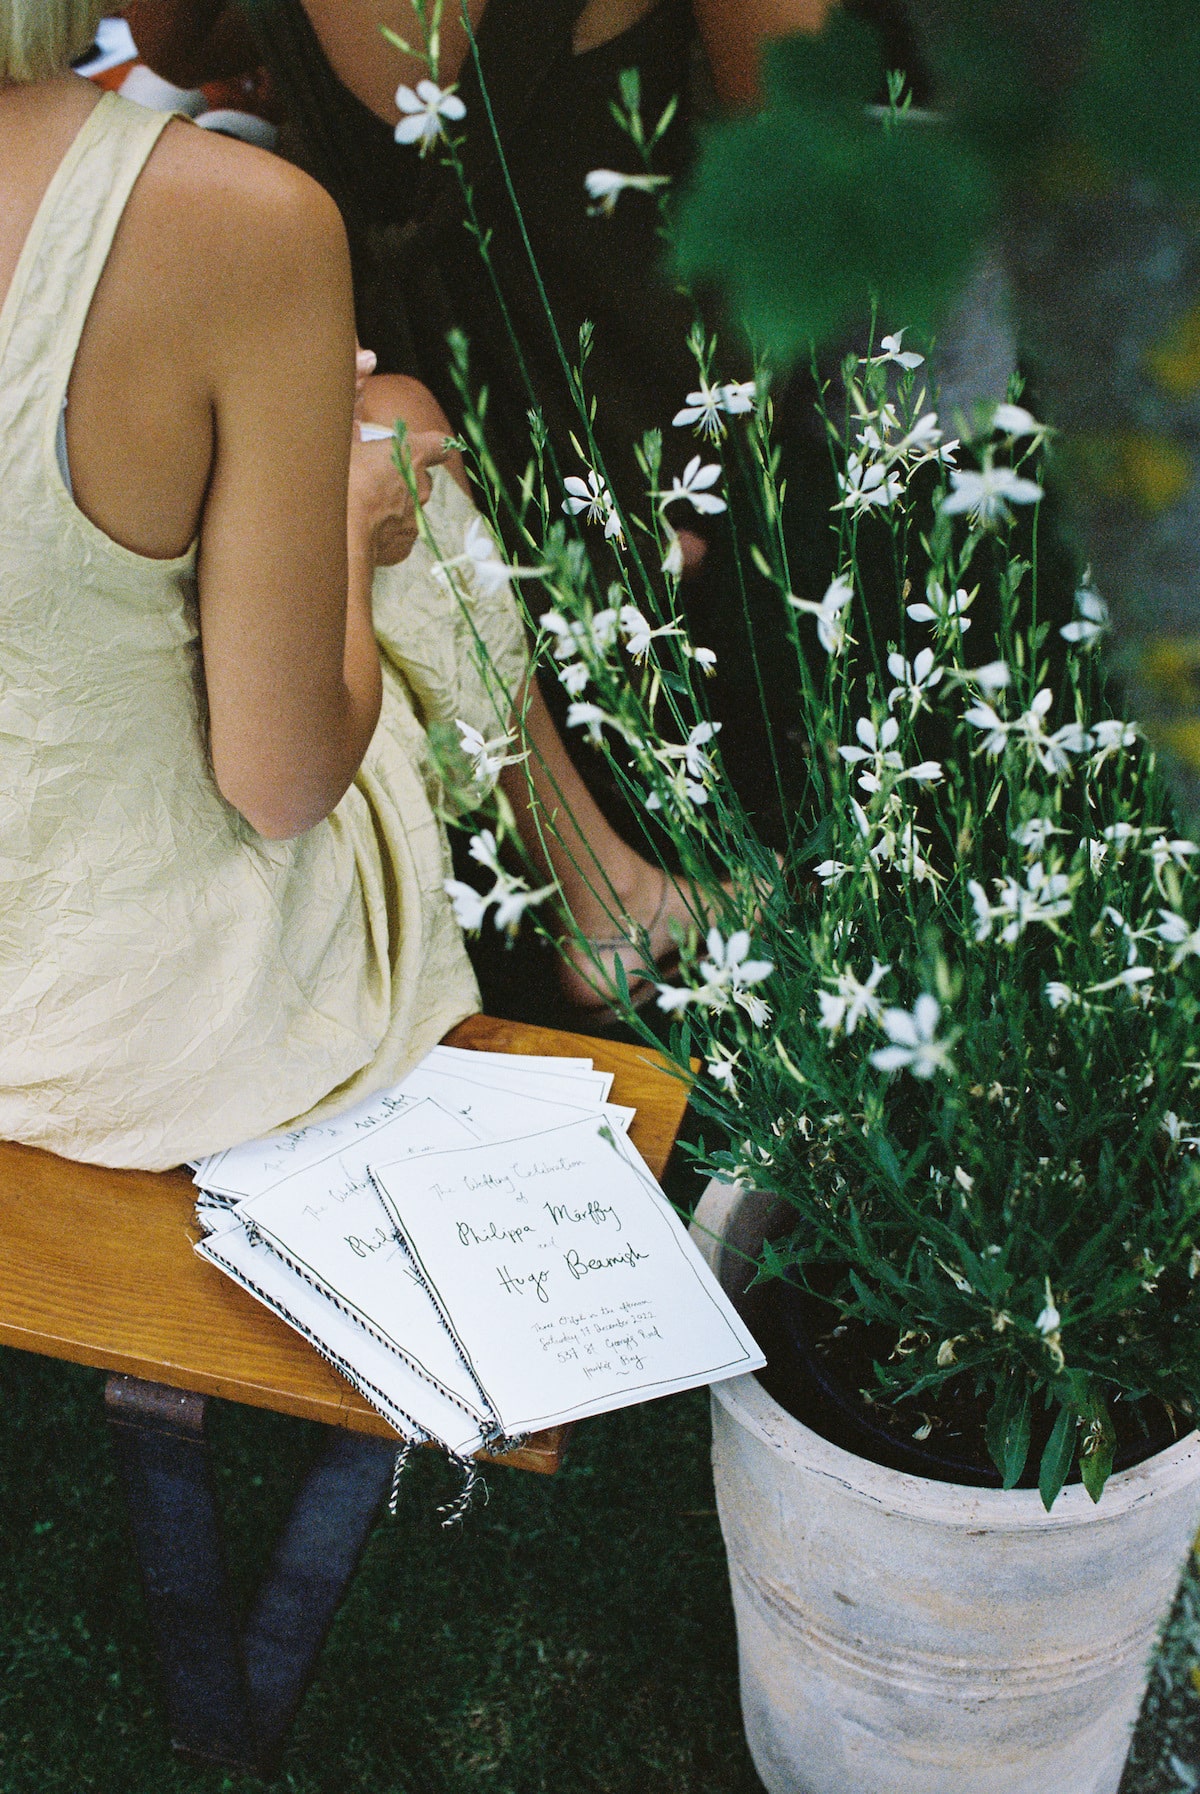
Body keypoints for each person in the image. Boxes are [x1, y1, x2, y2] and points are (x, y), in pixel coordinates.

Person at [0, 1, 709, 1171]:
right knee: (390, 431)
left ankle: (609, 890)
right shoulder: (231, 217)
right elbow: (280, 783)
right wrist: (348, 518)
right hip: (145, 1040)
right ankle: (608, 891)